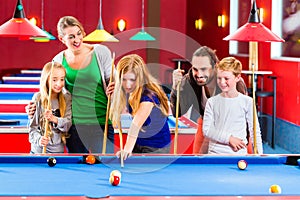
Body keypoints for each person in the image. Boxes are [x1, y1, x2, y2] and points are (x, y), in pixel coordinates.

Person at [27, 16, 114, 154]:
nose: (77, 39)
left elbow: (114, 84)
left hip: (102, 122)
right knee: (79, 168)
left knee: (105, 165)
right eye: (71, 37)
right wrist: (35, 105)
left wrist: (116, 88)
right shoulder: (58, 60)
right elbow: (50, 91)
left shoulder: (101, 52)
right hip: (75, 126)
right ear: (62, 39)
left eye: (79, 34)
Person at [170, 46, 248, 154]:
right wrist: (175, 88)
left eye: (203, 69)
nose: (199, 74)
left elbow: (244, 117)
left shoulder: (232, 82)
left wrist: (249, 144)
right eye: (195, 69)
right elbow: (177, 112)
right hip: (205, 124)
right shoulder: (190, 80)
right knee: (198, 163)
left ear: (215, 67)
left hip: (232, 126)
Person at [109, 54, 171, 160]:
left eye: (132, 80)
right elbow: (118, 110)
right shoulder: (129, 90)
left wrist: (126, 150)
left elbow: (135, 125)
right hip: (139, 140)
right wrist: (111, 97)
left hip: (156, 147)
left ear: (140, 78)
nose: (128, 85)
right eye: (123, 79)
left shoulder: (149, 96)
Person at [202, 57, 263, 154]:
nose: (222, 82)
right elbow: (207, 130)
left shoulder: (247, 101)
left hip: (238, 154)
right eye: (219, 78)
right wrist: (229, 139)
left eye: (226, 78)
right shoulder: (212, 102)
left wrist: (260, 155)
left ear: (237, 77)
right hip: (215, 154)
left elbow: (255, 131)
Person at [29, 62, 72, 154]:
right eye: (54, 80)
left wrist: (54, 119)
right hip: (38, 152)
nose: (59, 84)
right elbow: (32, 129)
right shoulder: (38, 98)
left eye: (62, 79)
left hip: (58, 152)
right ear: (46, 80)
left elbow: (68, 125)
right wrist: (39, 139)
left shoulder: (66, 98)